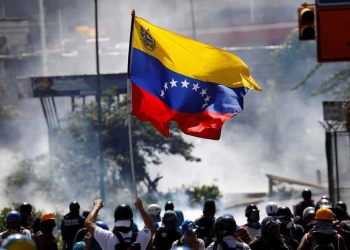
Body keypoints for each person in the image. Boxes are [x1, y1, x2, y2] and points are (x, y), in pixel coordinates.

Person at [84, 197, 155, 250]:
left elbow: (88, 222)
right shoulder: (142, 237)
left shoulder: (107, 237)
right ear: (131, 221)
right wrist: (141, 208)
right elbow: (150, 226)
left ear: (115, 221)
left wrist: (97, 207)